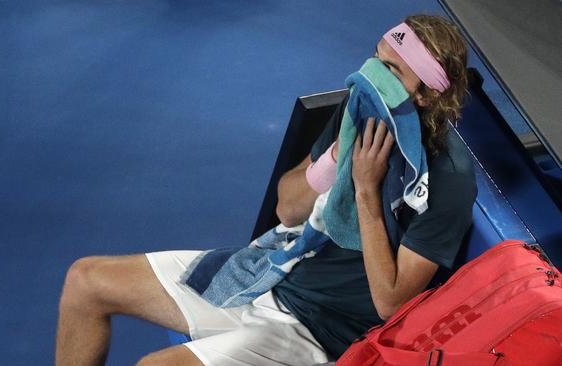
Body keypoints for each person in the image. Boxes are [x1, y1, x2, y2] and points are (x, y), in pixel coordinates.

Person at [55, 14, 476, 366]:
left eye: (391, 71)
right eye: (376, 60)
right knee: (87, 281)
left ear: (424, 95)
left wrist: (366, 190)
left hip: (317, 330)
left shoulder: (449, 178)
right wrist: (333, 159)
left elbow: (391, 304)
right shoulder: (360, 109)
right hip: (271, 272)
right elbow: (289, 210)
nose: (372, 77)